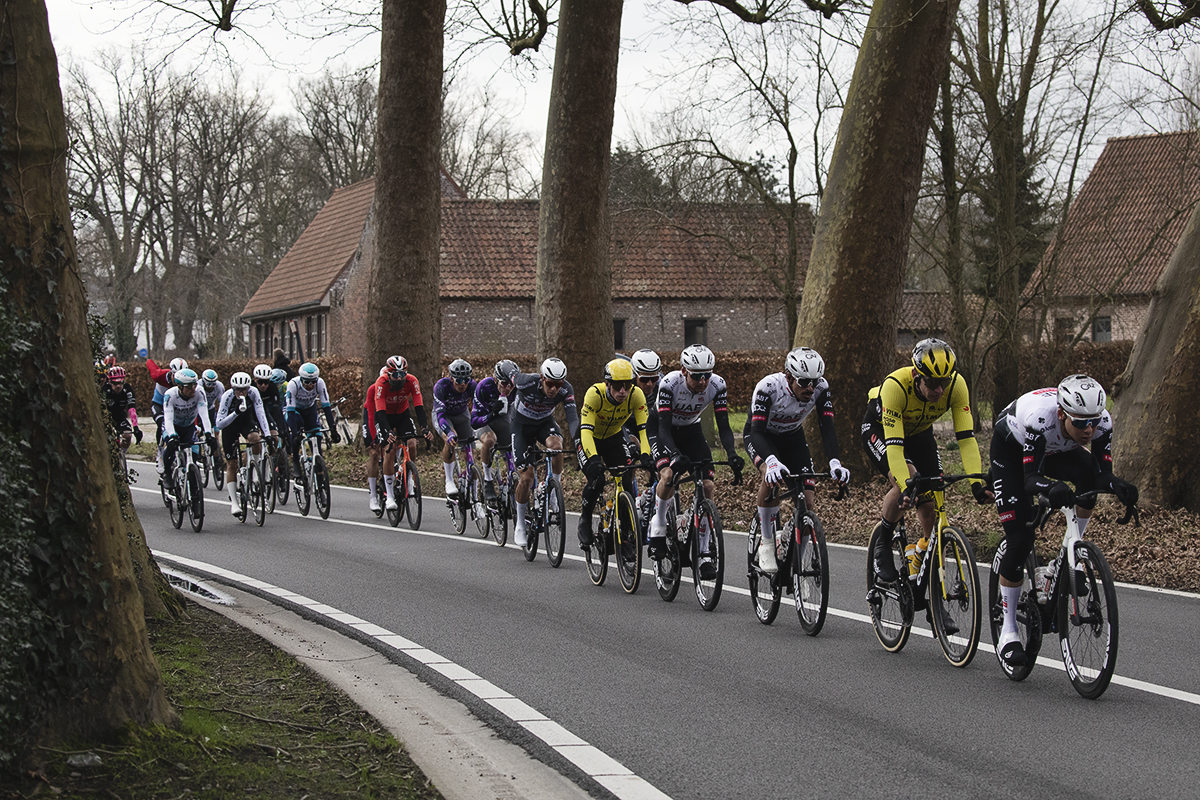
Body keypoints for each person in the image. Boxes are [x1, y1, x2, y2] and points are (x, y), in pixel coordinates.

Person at [989, 374, 1138, 666]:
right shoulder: (1040, 418)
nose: (1089, 429)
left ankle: (1069, 558)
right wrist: (1050, 487)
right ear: (1062, 414)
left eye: (1093, 422)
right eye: (1081, 423)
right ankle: (1008, 629)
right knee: (1020, 540)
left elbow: (1102, 475)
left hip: (1057, 449)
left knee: (1088, 480)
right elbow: (1030, 479)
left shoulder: (1101, 423)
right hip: (1012, 451)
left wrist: (1118, 485)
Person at [861, 338, 992, 621]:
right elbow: (895, 448)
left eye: (944, 382)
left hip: (920, 434)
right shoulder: (896, 387)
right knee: (909, 479)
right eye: (932, 382)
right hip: (881, 430)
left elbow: (966, 439)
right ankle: (883, 540)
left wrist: (976, 484)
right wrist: (906, 485)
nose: (939, 390)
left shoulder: (957, 386)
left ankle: (929, 582)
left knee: (933, 507)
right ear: (916, 375)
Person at [744, 347, 850, 574]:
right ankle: (767, 542)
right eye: (804, 382)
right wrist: (771, 461)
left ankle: (797, 565)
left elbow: (827, 427)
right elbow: (756, 432)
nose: (810, 388)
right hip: (762, 436)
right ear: (789, 377)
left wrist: (835, 462)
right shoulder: (768, 388)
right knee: (770, 477)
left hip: (792, 437)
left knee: (808, 501)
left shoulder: (821, 388)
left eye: (814, 381)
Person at [646, 345, 745, 579]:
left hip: (691, 430)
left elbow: (724, 426)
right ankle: (658, 526)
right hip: (662, 430)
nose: (702, 381)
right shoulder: (669, 384)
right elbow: (663, 429)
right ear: (683, 371)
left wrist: (731, 453)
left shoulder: (718, 385)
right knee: (668, 475)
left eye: (707, 375)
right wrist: (674, 455)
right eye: (697, 376)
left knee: (708, 485)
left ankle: (704, 551)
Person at [575, 359, 656, 550]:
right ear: (607, 384)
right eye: (618, 386)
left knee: (626, 478)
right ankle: (585, 519)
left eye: (627, 385)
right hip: (589, 438)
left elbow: (644, 429)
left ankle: (626, 533)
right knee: (598, 479)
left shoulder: (636, 395)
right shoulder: (594, 394)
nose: (623, 391)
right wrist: (593, 459)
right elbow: (586, 431)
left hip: (613, 437)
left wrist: (646, 455)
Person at [510, 357, 580, 547]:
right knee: (527, 477)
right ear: (542, 378)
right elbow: (509, 371)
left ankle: (553, 490)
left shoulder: (566, 389)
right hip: (521, 427)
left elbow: (572, 419)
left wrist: (578, 441)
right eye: (550, 384)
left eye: (559, 384)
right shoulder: (526, 382)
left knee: (557, 447)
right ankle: (520, 525)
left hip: (544, 423)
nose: (554, 389)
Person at [365, 355, 431, 512]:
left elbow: (419, 406)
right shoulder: (379, 385)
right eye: (395, 374)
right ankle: (382, 496)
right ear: (388, 374)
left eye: (402, 374)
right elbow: (377, 413)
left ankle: (408, 478)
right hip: (381, 415)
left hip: (402, 414)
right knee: (383, 450)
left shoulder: (411, 381)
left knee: (412, 443)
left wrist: (425, 428)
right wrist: (383, 434)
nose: (399, 378)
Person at [215, 371, 273, 517]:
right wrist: (235, 413)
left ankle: (254, 470)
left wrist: (267, 434)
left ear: (249, 388)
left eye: (244, 389)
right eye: (238, 390)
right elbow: (219, 424)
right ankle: (234, 503)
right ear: (233, 388)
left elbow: (260, 413)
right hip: (230, 426)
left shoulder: (253, 392)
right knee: (232, 464)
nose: (241, 393)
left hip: (246, 422)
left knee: (255, 437)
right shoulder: (227, 397)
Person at [159, 368, 216, 489]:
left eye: (195, 385)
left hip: (189, 426)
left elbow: (204, 415)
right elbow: (168, 419)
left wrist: (208, 434)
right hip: (172, 426)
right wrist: (172, 436)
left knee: (194, 454)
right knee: (170, 446)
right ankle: (167, 473)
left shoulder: (199, 392)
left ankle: (192, 485)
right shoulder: (170, 395)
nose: (193, 389)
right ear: (179, 386)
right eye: (189, 386)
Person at [472, 359, 519, 503]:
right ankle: (487, 480)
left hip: (503, 421)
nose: (508, 388)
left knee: (513, 446)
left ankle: (513, 484)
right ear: (495, 379)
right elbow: (474, 421)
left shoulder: (517, 389)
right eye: (504, 384)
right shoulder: (484, 386)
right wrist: (491, 414)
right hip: (484, 421)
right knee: (489, 440)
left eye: (511, 384)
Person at [432, 359, 478, 498]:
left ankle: (475, 495)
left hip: (461, 414)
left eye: (466, 380)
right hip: (443, 415)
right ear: (451, 378)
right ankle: (449, 480)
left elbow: (478, 407)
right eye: (459, 380)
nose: (463, 383)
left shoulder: (472, 386)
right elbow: (440, 415)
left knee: (471, 452)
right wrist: (448, 432)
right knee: (450, 439)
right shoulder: (441, 386)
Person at [285, 362, 341, 473]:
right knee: (298, 427)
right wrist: (295, 435)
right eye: (307, 382)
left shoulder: (320, 383)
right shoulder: (293, 385)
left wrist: (333, 429)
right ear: (301, 380)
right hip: (295, 411)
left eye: (313, 382)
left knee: (317, 436)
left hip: (310, 410)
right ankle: (295, 461)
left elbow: (326, 407)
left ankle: (317, 466)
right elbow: (290, 412)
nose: (310, 385)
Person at [147, 356, 188, 447]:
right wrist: (157, 368)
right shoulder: (159, 375)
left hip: (173, 405)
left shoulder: (187, 381)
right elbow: (149, 362)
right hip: (159, 404)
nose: (178, 381)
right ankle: (160, 449)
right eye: (176, 376)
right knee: (161, 423)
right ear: (171, 373)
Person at [103, 366, 139, 452]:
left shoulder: (127, 389)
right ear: (110, 382)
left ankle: (121, 454)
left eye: (121, 382)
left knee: (127, 435)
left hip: (120, 416)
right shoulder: (105, 390)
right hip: (106, 417)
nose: (118, 386)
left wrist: (136, 427)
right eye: (115, 383)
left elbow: (131, 408)